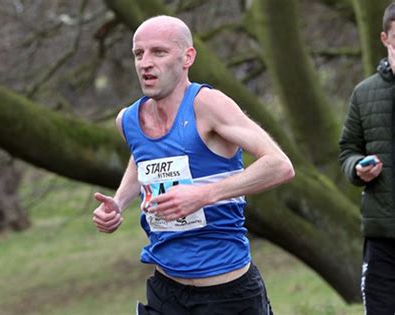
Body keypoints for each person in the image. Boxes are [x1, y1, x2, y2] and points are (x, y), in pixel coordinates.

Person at [92, 15, 294, 315]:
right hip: (166, 290)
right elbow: (142, 160)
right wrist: (119, 202)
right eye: (139, 53)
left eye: (158, 52)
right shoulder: (129, 120)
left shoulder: (208, 106)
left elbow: (279, 165)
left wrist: (204, 194)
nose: (145, 63)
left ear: (188, 57)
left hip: (227, 293)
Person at [339, 3, 395, 315]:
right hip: (382, 236)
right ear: (385, 38)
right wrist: (358, 169)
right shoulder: (364, 93)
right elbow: (347, 151)